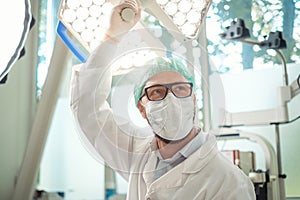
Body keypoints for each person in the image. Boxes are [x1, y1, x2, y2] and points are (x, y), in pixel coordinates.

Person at [70, 1, 256, 199]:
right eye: (157, 92)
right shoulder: (136, 154)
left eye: (180, 89)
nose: (171, 100)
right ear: (142, 108)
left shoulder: (229, 182)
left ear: (193, 100)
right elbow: (87, 108)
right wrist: (111, 37)